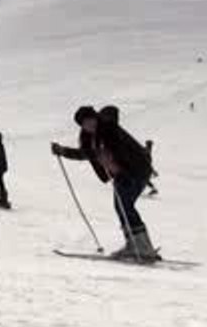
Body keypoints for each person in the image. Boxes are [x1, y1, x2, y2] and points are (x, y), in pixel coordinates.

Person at [52, 105, 159, 261]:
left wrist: (125, 171)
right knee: (122, 206)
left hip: (135, 171)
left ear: (95, 117)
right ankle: (136, 244)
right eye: (84, 124)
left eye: (90, 120)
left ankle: (142, 246)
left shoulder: (109, 130)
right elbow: (85, 154)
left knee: (125, 205)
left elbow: (125, 151)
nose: (88, 125)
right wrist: (63, 151)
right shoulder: (90, 138)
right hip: (123, 174)